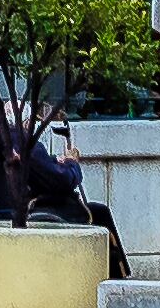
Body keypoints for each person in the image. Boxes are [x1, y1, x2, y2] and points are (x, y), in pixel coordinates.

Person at [20, 117, 129, 277]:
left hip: (30, 200)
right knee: (100, 212)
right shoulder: (28, 146)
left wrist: (54, 160)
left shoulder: (3, 142)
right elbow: (63, 180)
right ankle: (117, 275)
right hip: (46, 204)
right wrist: (72, 162)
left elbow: (43, 168)